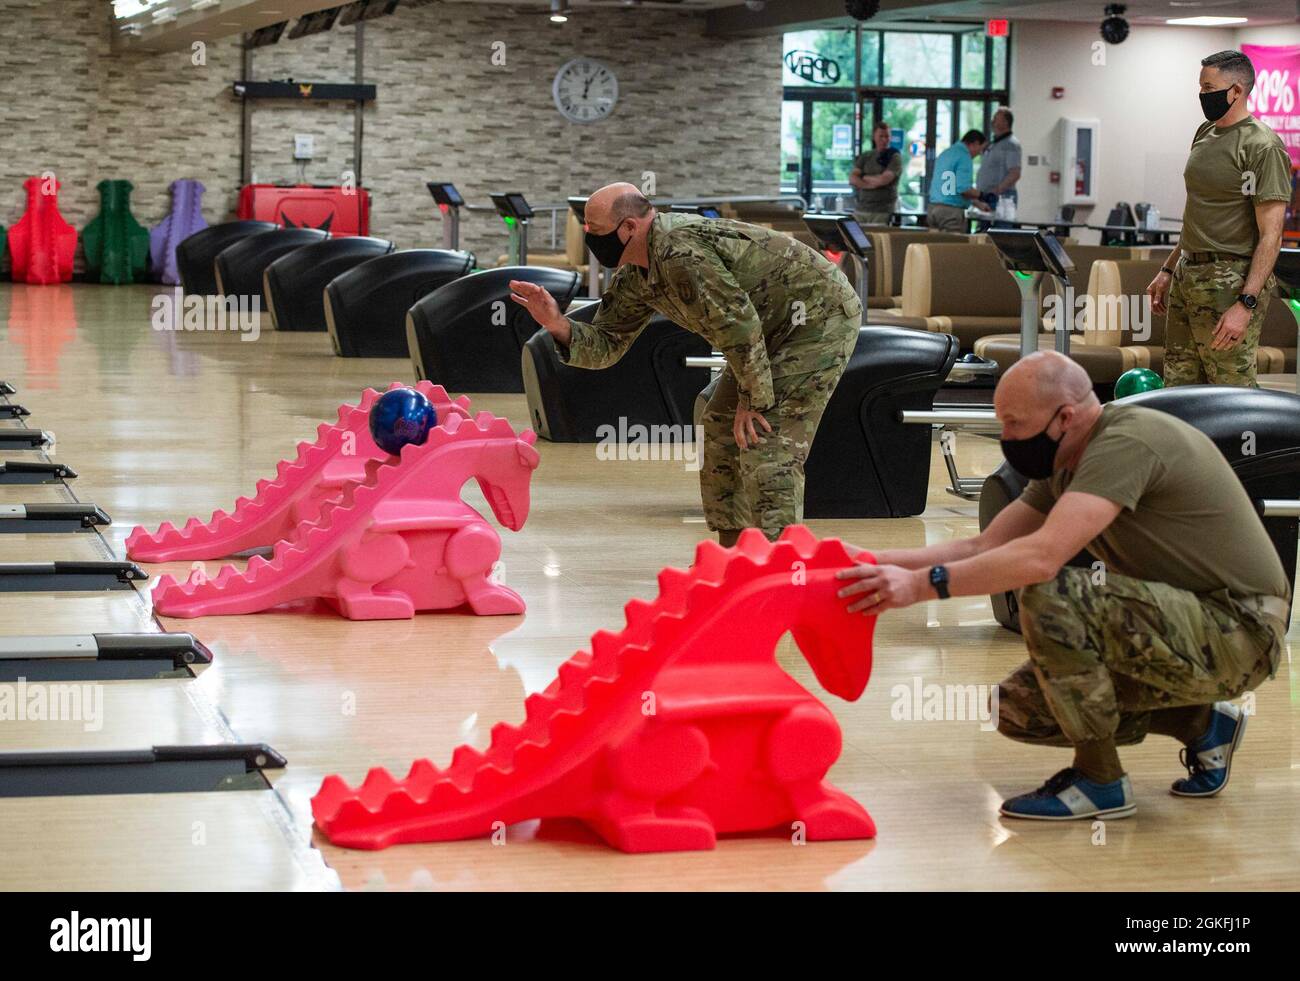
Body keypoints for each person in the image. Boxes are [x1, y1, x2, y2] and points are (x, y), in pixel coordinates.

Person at [835, 351, 1287, 821]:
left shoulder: (1126, 441)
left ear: (1065, 417)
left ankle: (1101, 783)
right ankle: (1203, 723)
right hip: (1187, 621)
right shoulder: (1067, 458)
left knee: (1053, 596)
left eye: (1014, 423)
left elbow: (1041, 556)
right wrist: (870, 561)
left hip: (1242, 629)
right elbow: (983, 546)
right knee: (1019, 707)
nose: (1007, 438)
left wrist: (919, 587)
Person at [508, 182, 861, 546]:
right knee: (720, 424)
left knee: (765, 437)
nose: (589, 238)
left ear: (628, 227)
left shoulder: (680, 251)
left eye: (595, 230)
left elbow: (739, 325)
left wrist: (752, 401)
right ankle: (735, 549)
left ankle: (781, 562)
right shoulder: (636, 273)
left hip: (818, 318)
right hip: (764, 330)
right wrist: (558, 324)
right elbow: (607, 345)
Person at [1147, 49, 1291, 388]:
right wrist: (1168, 269)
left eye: (1209, 88)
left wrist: (1246, 303)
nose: (1202, 95)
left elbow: (1271, 235)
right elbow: (1197, 213)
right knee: (1179, 387)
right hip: (1188, 274)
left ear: (1237, 91)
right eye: (1200, 87)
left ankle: (1245, 444)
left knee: (1230, 388)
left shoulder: (1262, 146)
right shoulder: (1204, 133)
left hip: (1231, 280)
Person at [926, 130, 991, 232]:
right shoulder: (964, 157)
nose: (980, 154)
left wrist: (977, 203)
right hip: (950, 214)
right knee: (953, 246)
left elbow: (951, 188)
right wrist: (983, 195)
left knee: (935, 246)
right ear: (975, 144)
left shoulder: (946, 153)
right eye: (981, 149)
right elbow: (963, 188)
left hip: (933, 210)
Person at [849, 121, 903, 226]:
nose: (884, 140)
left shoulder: (894, 156)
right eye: (881, 136)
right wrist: (871, 184)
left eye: (887, 136)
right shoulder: (866, 156)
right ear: (874, 137)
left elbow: (883, 180)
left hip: (882, 210)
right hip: (861, 209)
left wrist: (864, 177)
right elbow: (853, 178)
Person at [976, 107, 1022, 224]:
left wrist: (996, 191)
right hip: (986, 197)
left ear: (1006, 122)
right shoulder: (994, 143)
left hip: (1001, 198)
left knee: (1000, 233)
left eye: (996, 118)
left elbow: (1015, 173)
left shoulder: (1011, 144)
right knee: (984, 235)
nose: (992, 121)